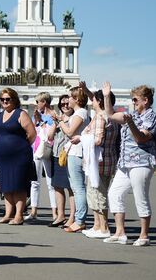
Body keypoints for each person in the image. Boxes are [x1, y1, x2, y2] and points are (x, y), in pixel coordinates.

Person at [102, 82, 156, 246]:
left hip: (142, 162)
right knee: (114, 193)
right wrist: (107, 96)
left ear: (145, 100)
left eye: (135, 100)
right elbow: (111, 115)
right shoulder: (131, 115)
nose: (133, 103)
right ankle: (120, 233)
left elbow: (141, 138)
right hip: (125, 162)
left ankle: (144, 235)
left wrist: (130, 123)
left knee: (140, 196)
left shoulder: (151, 117)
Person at [78, 86, 119, 239]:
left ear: (99, 101)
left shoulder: (101, 117)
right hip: (104, 160)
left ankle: (104, 228)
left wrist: (81, 138)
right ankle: (97, 226)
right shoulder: (110, 115)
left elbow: (98, 140)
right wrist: (88, 90)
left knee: (99, 194)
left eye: (94, 99)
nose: (91, 101)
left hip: (99, 162)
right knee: (94, 193)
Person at [0, 87, 37, 225]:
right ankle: (8, 214)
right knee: (5, 185)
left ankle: (18, 215)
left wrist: (21, 146)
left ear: (14, 99)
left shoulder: (20, 113)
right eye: (2, 99)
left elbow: (32, 134)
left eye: (8, 99)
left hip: (19, 156)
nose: (5, 102)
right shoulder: (0, 115)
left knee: (19, 185)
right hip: (2, 156)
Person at [55, 86, 89, 233]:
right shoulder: (79, 113)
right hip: (74, 152)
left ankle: (80, 220)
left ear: (76, 99)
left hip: (77, 152)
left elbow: (69, 132)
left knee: (78, 188)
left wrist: (60, 121)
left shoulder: (81, 113)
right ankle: (78, 219)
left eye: (69, 97)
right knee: (76, 187)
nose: (67, 100)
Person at [26, 91, 57, 221]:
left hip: (48, 149)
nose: (37, 104)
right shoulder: (37, 115)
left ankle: (55, 212)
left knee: (51, 182)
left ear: (44, 102)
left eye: (38, 101)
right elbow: (33, 130)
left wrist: (41, 121)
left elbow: (51, 132)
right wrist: (36, 121)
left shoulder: (53, 115)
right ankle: (34, 211)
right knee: (35, 181)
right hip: (36, 148)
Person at [49, 95, 76, 228]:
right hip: (57, 154)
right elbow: (49, 136)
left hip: (70, 155)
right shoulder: (59, 118)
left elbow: (70, 133)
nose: (65, 106)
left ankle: (72, 216)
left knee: (71, 187)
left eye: (67, 103)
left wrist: (62, 122)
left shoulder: (75, 118)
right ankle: (60, 215)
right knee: (57, 186)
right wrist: (55, 122)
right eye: (62, 104)